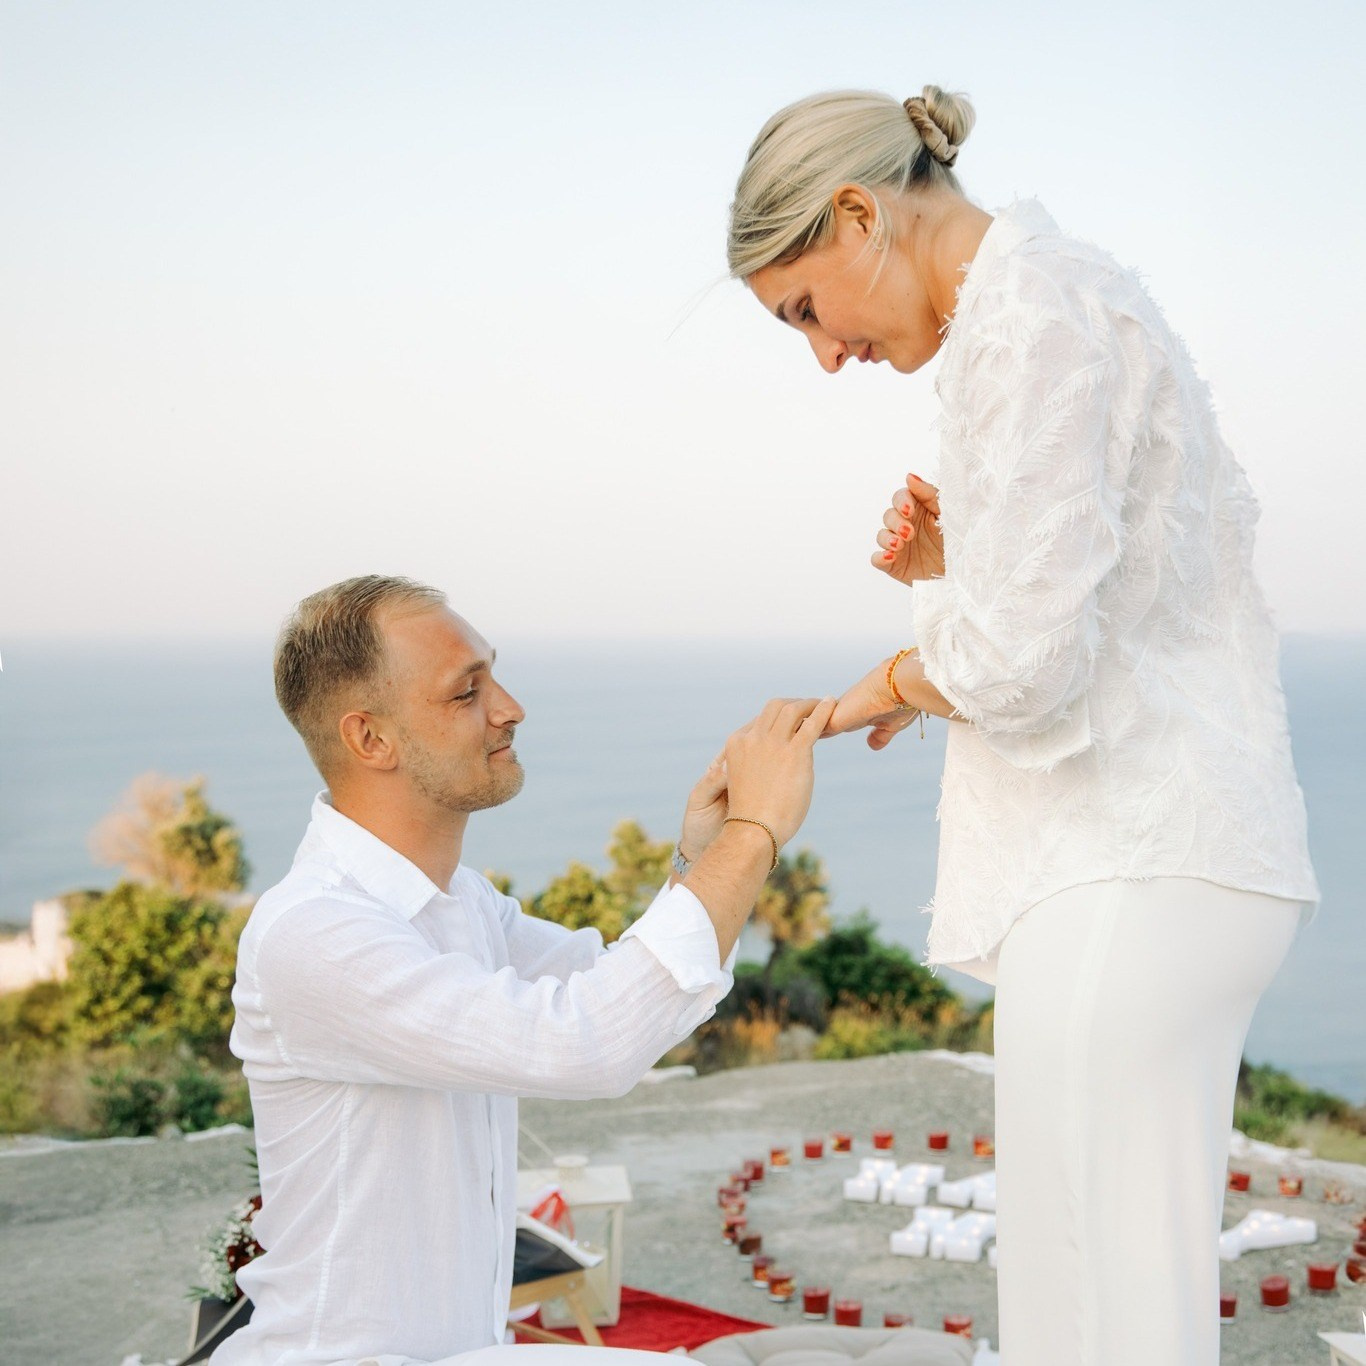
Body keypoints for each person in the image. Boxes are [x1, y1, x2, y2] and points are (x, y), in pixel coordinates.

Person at [726, 85, 1319, 1366]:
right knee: (1112, 1298)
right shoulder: (1053, 297)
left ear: (855, 214)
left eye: (806, 311)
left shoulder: (1030, 314)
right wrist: (966, 566)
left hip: (1130, 862)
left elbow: (1023, 661)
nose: (824, 357)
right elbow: (1103, 613)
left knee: (1088, 1303)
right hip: (1165, 854)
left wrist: (866, 691)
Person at [212, 574, 836, 1366]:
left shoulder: (460, 903)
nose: (510, 707)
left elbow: (624, 993)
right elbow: (587, 1046)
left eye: (493, 676)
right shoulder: (315, 934)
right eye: (466, 691)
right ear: (371, 739)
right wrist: (755, 834)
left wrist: (701, 857)